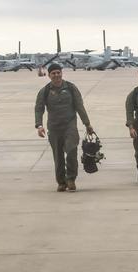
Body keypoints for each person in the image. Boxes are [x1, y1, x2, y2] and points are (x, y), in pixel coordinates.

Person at [34, 63, 95, 192]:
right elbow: (39, 109)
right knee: (58, 156)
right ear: (49, 75)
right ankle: (61, 182)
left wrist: (87, 124)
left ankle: (71, 179)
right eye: (53, 73)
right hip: (54, 128)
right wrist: (39, 126)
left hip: (70, 126)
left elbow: (80, 106)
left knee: (71, 151)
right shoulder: (45, 91)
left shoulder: (71, 88)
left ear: (62, 73)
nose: (56, 75)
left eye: (58, 72)